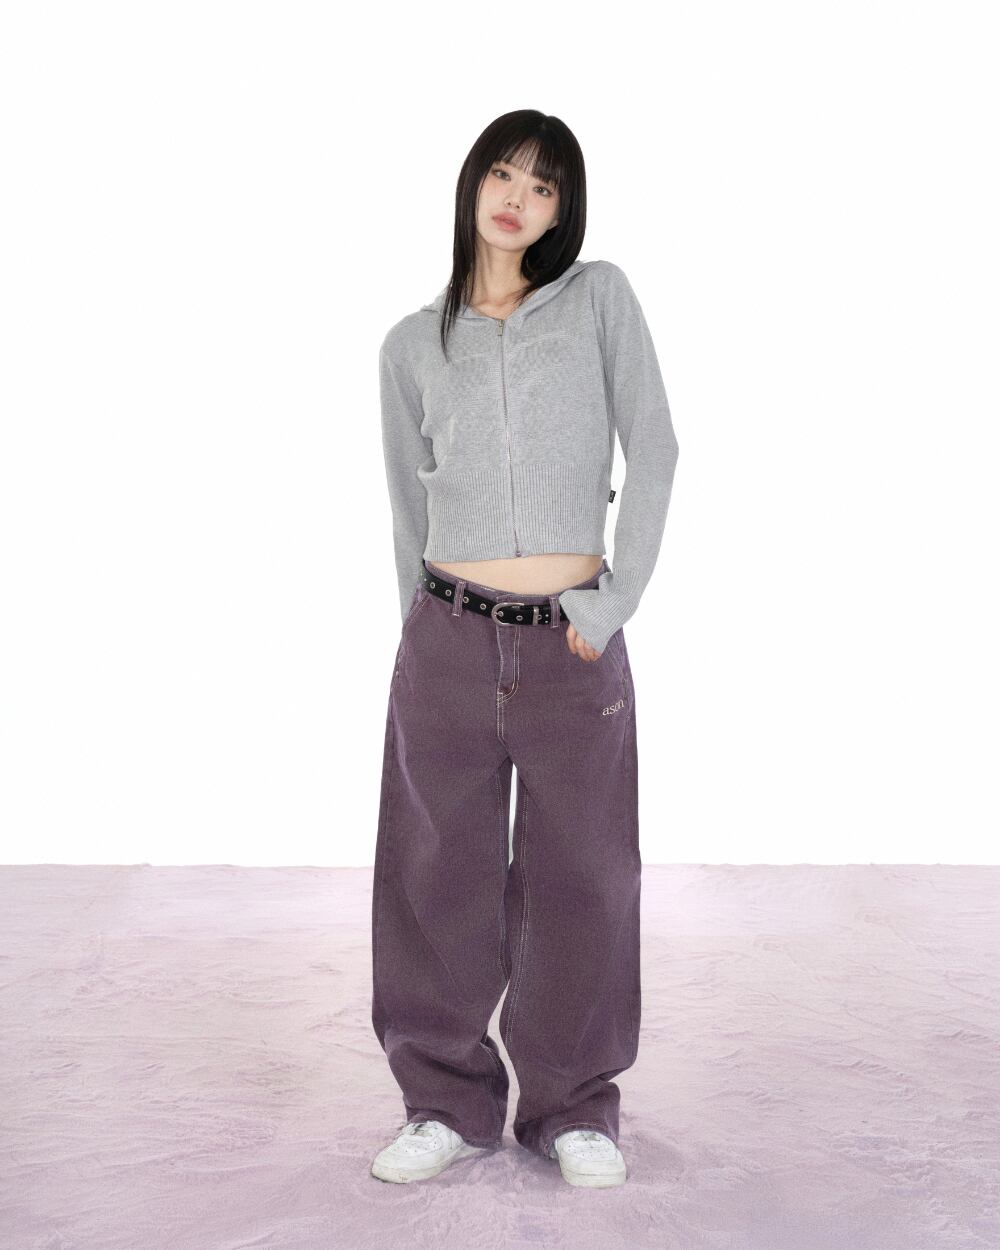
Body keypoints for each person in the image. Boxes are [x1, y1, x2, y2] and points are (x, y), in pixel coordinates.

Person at [369, 109, 680, 1189]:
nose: (518, 197)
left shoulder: (598, 300)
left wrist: (613, 601)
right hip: (447, 638)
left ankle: (572, 1106)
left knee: (583, 875)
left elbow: (656, 446)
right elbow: (405, 503)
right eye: (504, 173)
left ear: (562, 210)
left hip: (572, 645)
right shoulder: (411, 345)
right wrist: (417, 630)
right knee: (433, 875)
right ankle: (443, 1103)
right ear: (472, 182)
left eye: (544, 186)